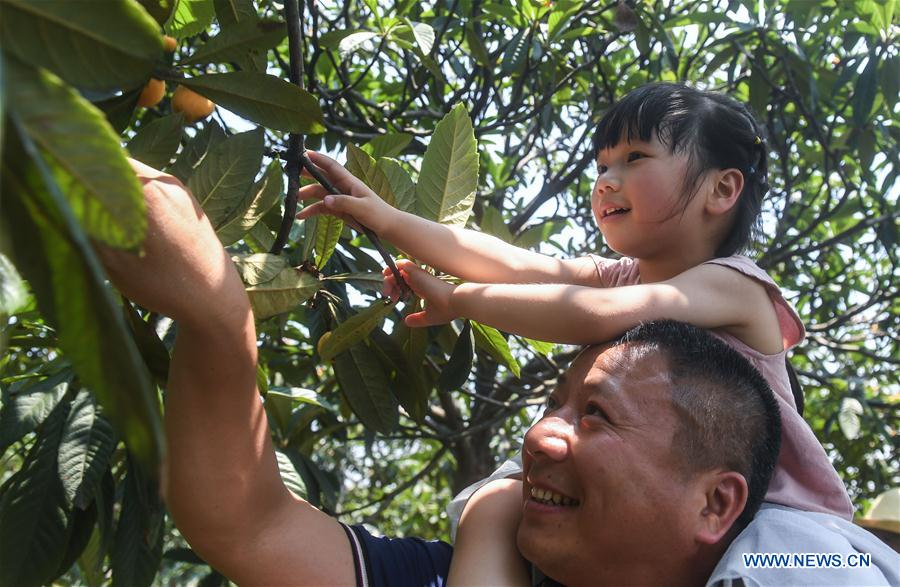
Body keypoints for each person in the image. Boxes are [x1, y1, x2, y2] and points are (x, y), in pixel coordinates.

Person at [99, 161, 899, 586]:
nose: (538, 431)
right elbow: (252, 526)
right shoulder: (505, 561)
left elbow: (574, 312)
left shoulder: (733, 291)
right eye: (555, 402)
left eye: (596, 414)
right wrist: (216, 319)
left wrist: (462, 302)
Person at [295, 83, 853, 582]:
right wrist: (383, 217)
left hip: (767, 517)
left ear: (722, 190)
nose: (607, 180)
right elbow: (509, 261)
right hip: (655, 501)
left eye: (635, 158)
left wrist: (459, 298)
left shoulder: (737, 286)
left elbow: (592, 314)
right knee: (493, 504)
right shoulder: (622, 274)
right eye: (602, 165)